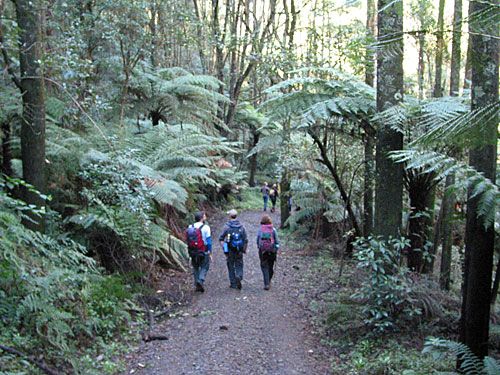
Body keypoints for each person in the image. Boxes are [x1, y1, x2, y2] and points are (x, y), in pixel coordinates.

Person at [219, 209, 248, 289]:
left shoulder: (227, 227)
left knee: (230, 265)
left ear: (230, 216)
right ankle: (239, 276)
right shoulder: (241, 226)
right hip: (239, 250)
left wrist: (225, 249)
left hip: (230, 250)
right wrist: (244, 249)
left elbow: (221, 238)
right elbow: (245, 239)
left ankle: (233, 283)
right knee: (239, 264)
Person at [186, 211, 212, 292]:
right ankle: (200, 280)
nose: (205, 216)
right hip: (203, 250)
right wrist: (210, 252)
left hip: (193, 251)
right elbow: (209, 241)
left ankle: (197, 285)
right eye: (204, 215)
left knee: (195, 267)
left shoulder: (190, 226)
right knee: (205, 266)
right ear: (201, 218)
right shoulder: (206, 227)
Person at [256, 215, 279, 290]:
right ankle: (268, 280)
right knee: (270, 266)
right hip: (272, 251)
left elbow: (258, 240)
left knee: (264, 266)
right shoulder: (273, 229)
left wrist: (259, 247)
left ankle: (266, 284)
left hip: (263, 251)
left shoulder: (260, 230)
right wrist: (276, 249)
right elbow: (277, 241)